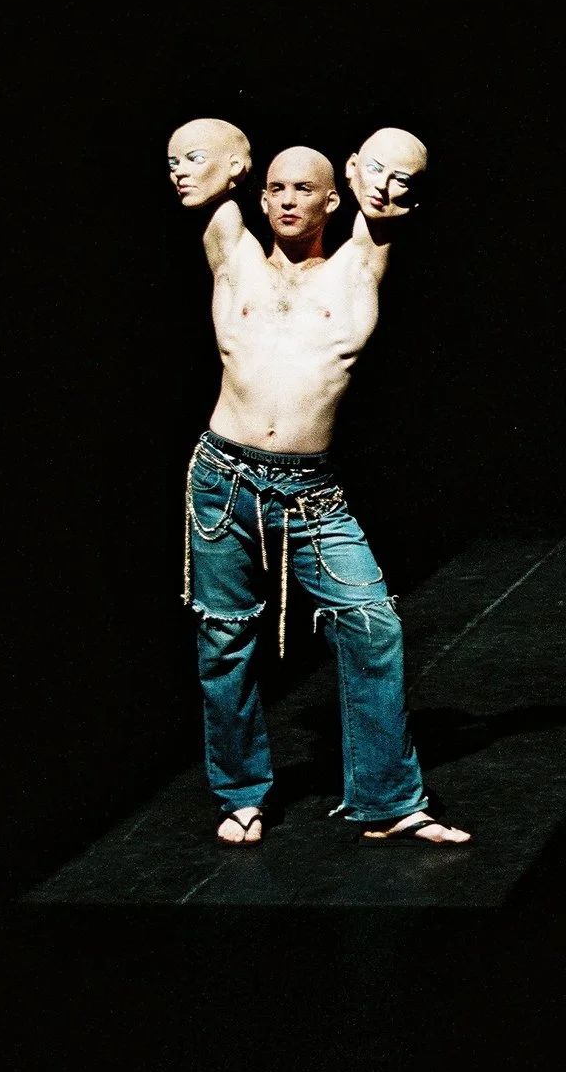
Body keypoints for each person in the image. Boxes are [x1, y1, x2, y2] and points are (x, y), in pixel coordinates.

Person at [166, 118, 469, 847]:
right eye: (274, 187)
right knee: (225, 641)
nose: (286, 200)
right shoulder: (232, 249)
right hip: (223, 481)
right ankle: (241, 793)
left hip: (311, 494)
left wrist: (380, 172)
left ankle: (388, 799)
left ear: (335, 196)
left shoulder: (359, 263)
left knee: (372, 626)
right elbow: (203, 168)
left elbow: (393, 173)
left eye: (304, 188)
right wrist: (211, 159)